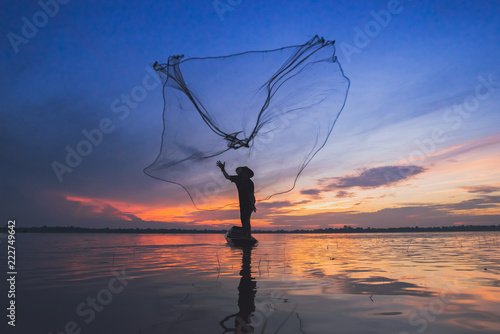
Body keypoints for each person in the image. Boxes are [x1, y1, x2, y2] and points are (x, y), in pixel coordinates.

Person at [216, 161, 256, 238]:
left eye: (244, 172)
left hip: (249, 203)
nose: (243, 174)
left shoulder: (250, 182)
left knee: (246, 219)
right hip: (242, 203)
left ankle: (247, 236)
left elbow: (251, 194)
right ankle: (246, 235)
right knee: (243, 219)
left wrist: (252, 204)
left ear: (247, 173)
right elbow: (227, 177)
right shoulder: (238, 179)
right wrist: (223, 170)